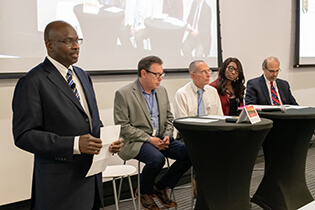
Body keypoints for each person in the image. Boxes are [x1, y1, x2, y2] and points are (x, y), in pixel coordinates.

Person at [12, 21, 123, 210]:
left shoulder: (82, 75)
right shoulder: (32, 82)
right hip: (60, 186)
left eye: (78, 40)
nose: (76, 46)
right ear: (49, 45)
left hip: (90, 180)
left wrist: (107, 141)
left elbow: (90, 120)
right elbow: (24, 135)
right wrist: (74, 144)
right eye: (68, 41)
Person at [114, 55, 191, 210]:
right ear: (143, 73)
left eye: (162, 74)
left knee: (191, 153)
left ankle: (161, 186)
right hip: (136, 141)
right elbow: (123, 127)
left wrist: (168, 135)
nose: (160, 78)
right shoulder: (124, 94)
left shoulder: (161, 91)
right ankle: (144, 192)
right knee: (157, 159)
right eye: (156, 75)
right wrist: (149, 139)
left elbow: (169, 117)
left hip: (161, 138)